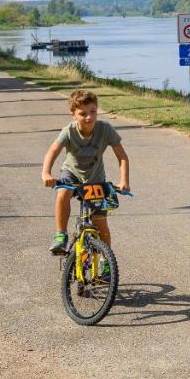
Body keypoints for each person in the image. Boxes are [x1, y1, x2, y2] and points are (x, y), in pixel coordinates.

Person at [41, 89, 130, 255]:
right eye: (83, 114)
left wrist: (124, 180)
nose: (89, 117)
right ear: (73, 114)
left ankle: (105, 261)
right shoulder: (69, 131)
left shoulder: (105, 129)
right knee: (63, 193)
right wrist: (46, 173)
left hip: (95, 179)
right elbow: (52, 151)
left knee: (100, 222)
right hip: (71, 173)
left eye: (93, 112)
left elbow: (122, 156)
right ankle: (61, 234)